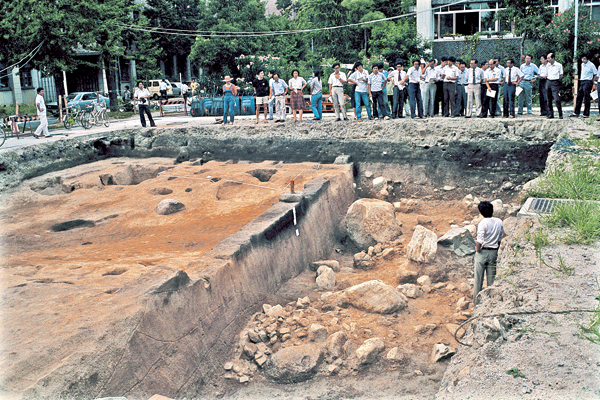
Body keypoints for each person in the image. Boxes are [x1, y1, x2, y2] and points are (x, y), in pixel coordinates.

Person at [473, 201, 503, 305]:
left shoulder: (482, 223)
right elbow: (499, 238)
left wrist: (477, 250)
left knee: (478, 280)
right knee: (491, 280)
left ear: (481, 212)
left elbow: (480, 240)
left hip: (482, 252)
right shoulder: (499, 221)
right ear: (492, 210)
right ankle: (490, 303)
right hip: (494, 252)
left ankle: (477, 303)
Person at [571, 54, 597, 119]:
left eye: (584, 59)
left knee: (586, 98)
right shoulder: (582, 64)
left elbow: (596, 73)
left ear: (587, 59)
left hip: (588, 81)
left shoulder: (591, 65)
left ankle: (586, 113)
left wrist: (592, 80)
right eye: (582, 58)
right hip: (582, 81)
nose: (583, 60)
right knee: (579, 97)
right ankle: (576, 112)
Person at [546, 52, 563, 119]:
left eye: (549, 58)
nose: (548, 59)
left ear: (553, 58)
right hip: (548, 81)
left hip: (555, 82)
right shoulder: (548, 65)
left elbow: (561, 74)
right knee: (548, 99)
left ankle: (560, 114)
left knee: (556, 99)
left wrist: (558, 81)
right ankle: (551, 114)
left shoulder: (558, 65)